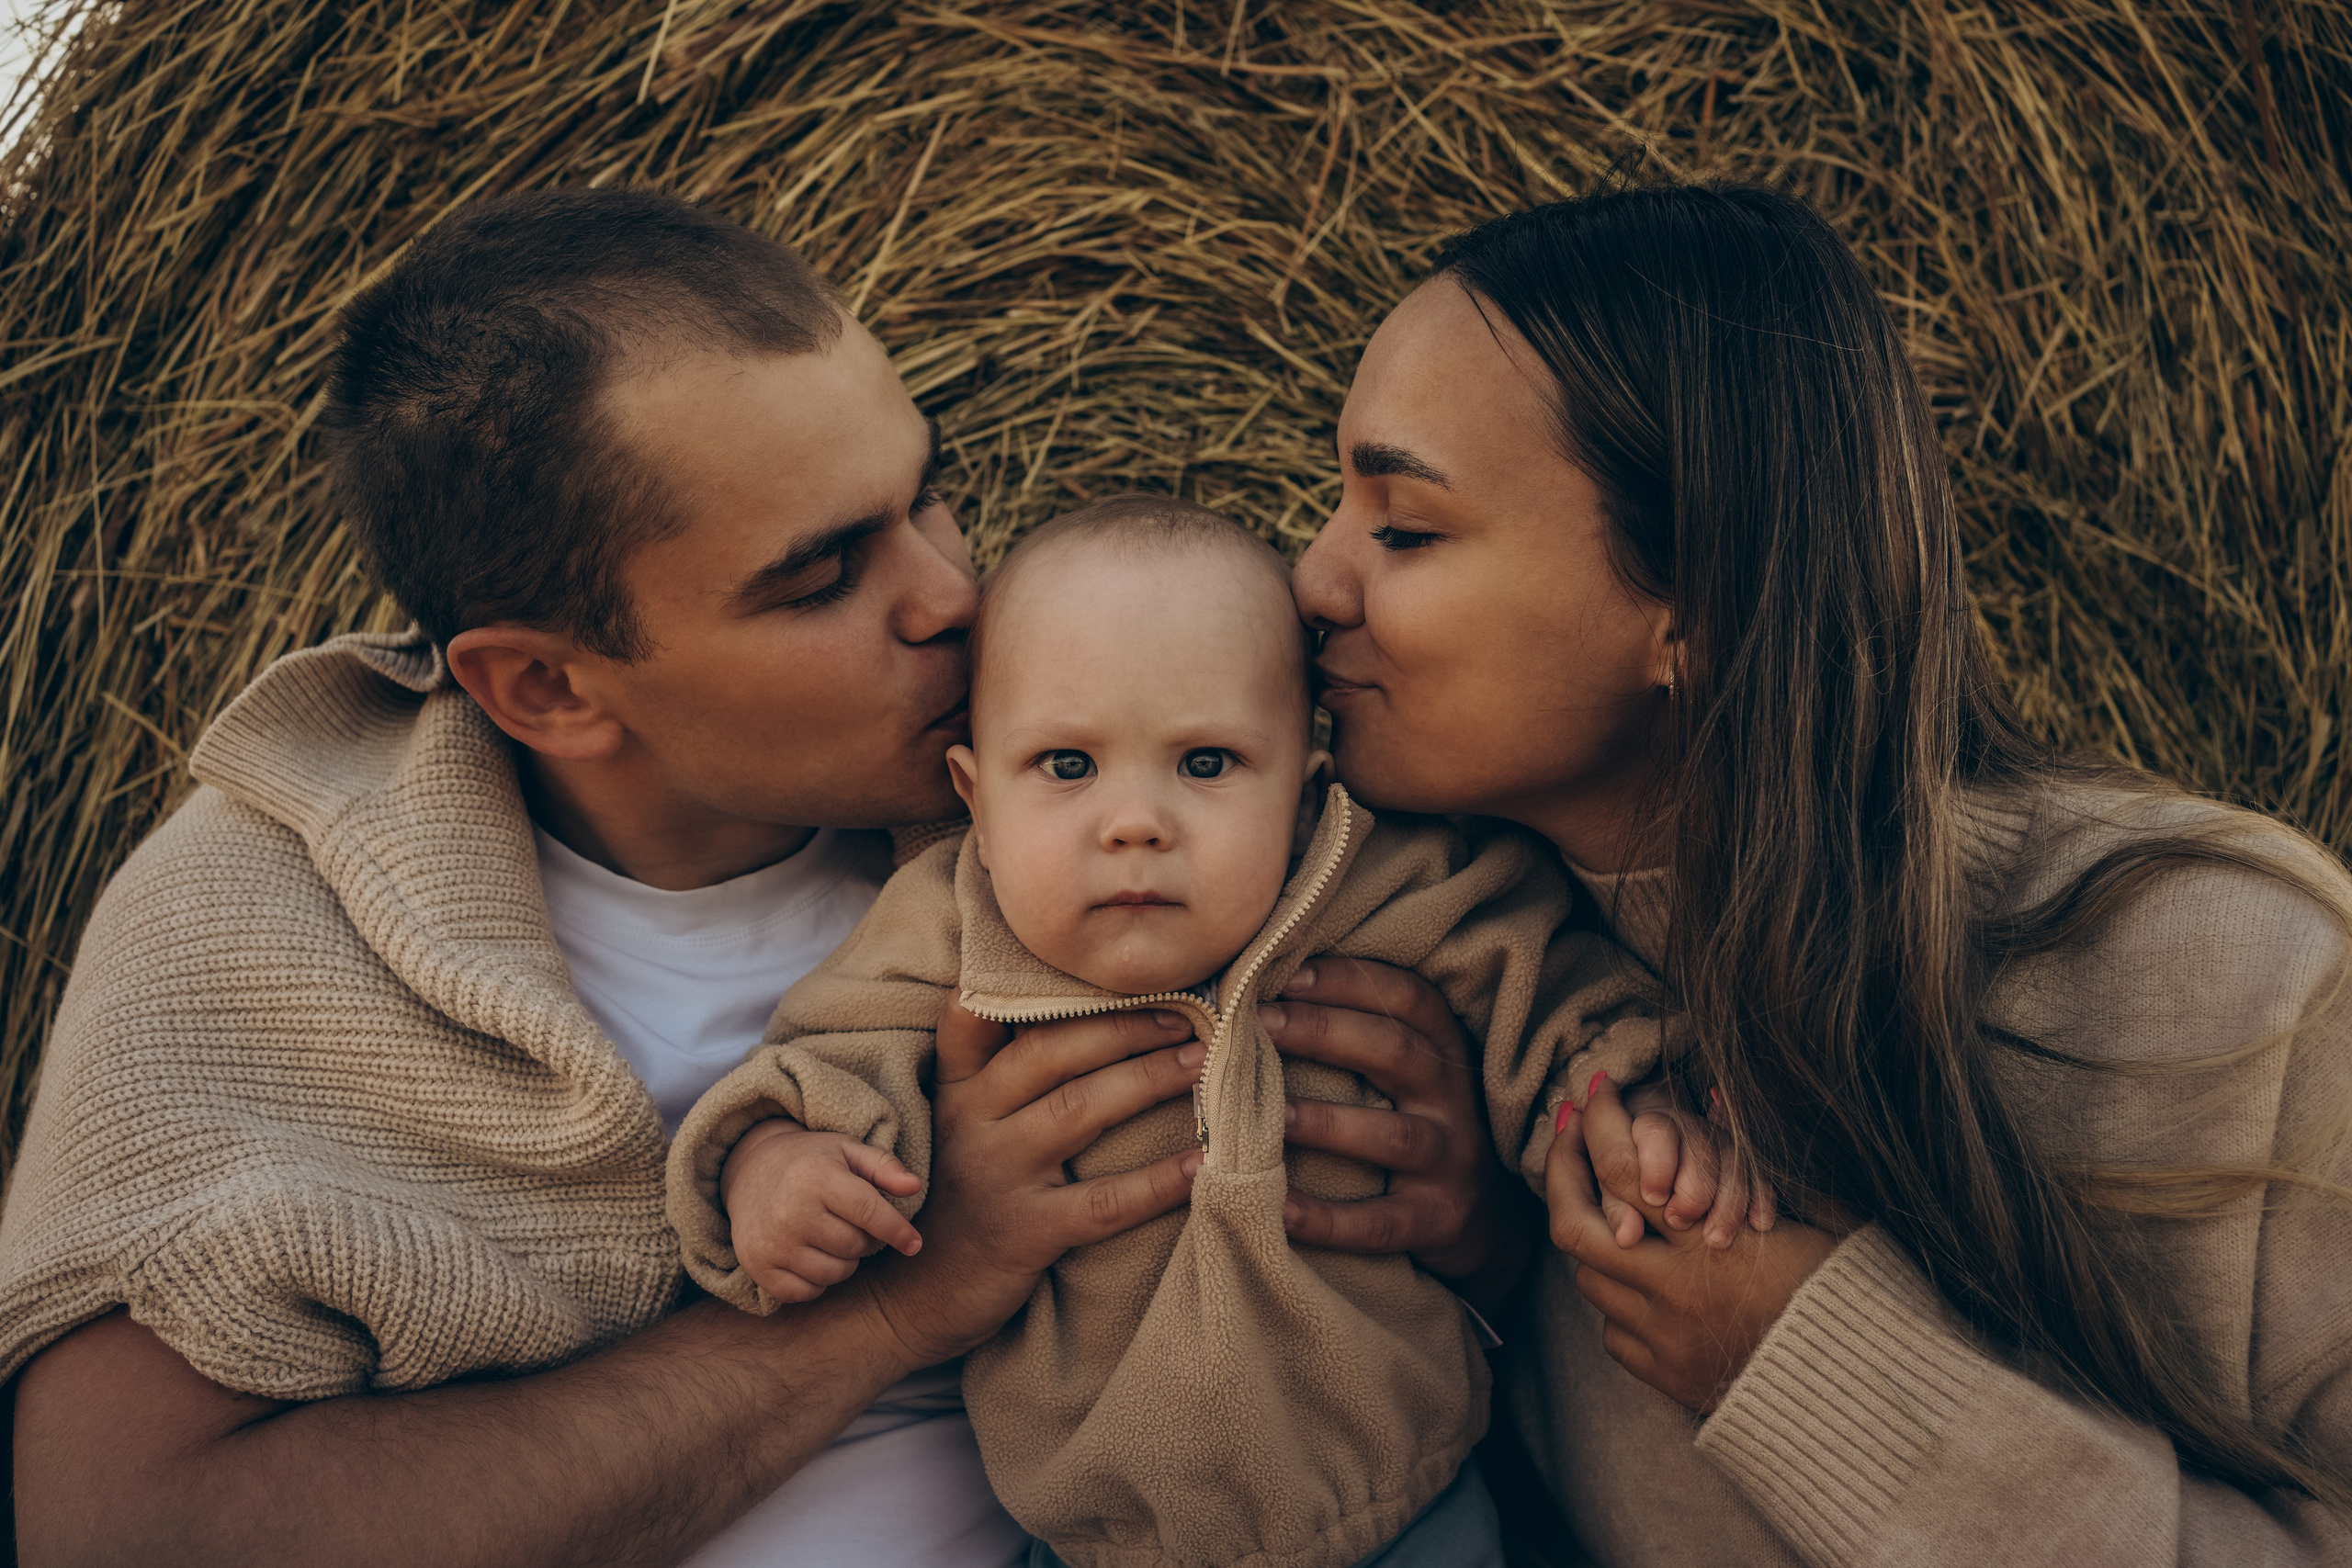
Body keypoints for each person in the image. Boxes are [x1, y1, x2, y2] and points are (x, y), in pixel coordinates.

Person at [2, 189, 1521, 1567]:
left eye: (929, 494)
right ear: (545, 687)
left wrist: (1473, 1215)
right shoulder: (265, 931)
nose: (949, 595)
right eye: (822, 576)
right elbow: (128, 1530)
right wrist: (909, 1298)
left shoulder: (1093, 792)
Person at [1293, 179, 2352, 1566]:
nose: (1311, 574)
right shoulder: (1471, 981)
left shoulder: (2237, 974)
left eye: (1405, 526)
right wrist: (1495, 1273)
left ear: (1701, 604)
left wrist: (1809, 1366)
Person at [670, 495, 1734, 1568]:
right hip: (1095, 1540)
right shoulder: (946, 929)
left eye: (1208, 764)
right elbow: (822, 1058)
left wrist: (1625, 1109)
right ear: (976, 800)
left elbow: (1549, 1000)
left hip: (1403, 1507)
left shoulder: (1384, 888)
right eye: (1067, 766)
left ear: (1305, 794)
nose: (1134, 821)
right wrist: (775, 1161)